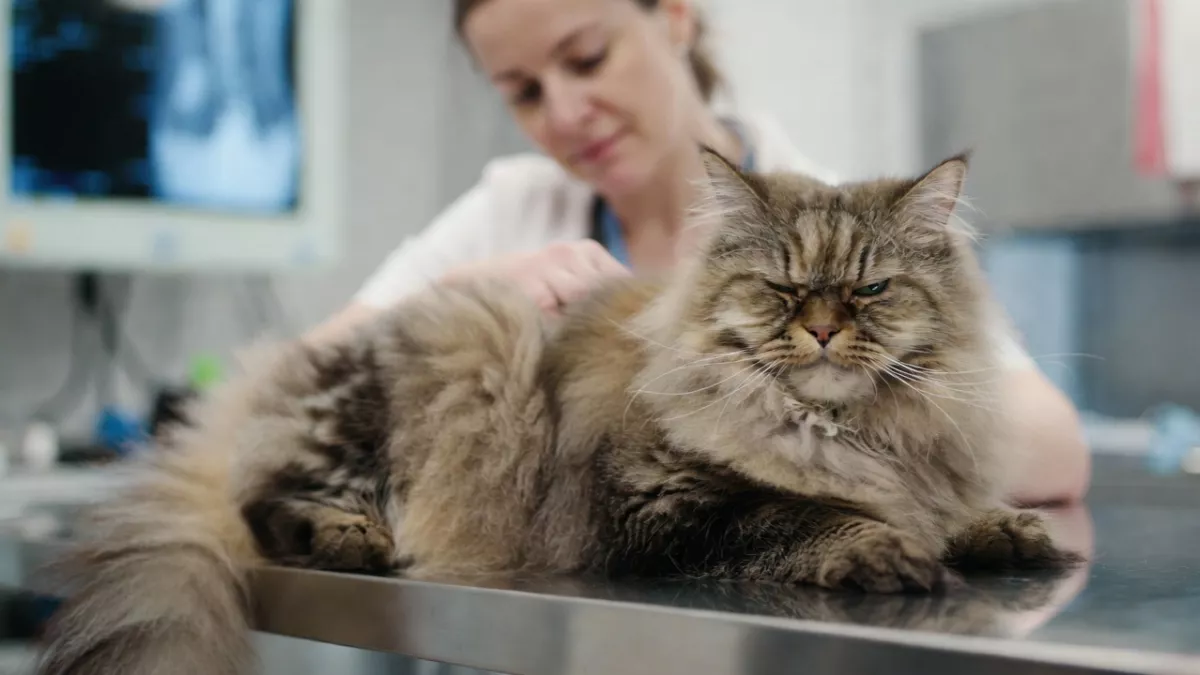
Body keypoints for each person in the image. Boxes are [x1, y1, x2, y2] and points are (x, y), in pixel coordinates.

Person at [309, 0, 1090, 507]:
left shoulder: (844, 222)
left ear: (675, 17)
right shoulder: (511, 205)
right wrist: (452, 295)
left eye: (586, 58)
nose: (567, 113)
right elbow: (309, 375)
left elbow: (1056, 452)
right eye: (524, 91)